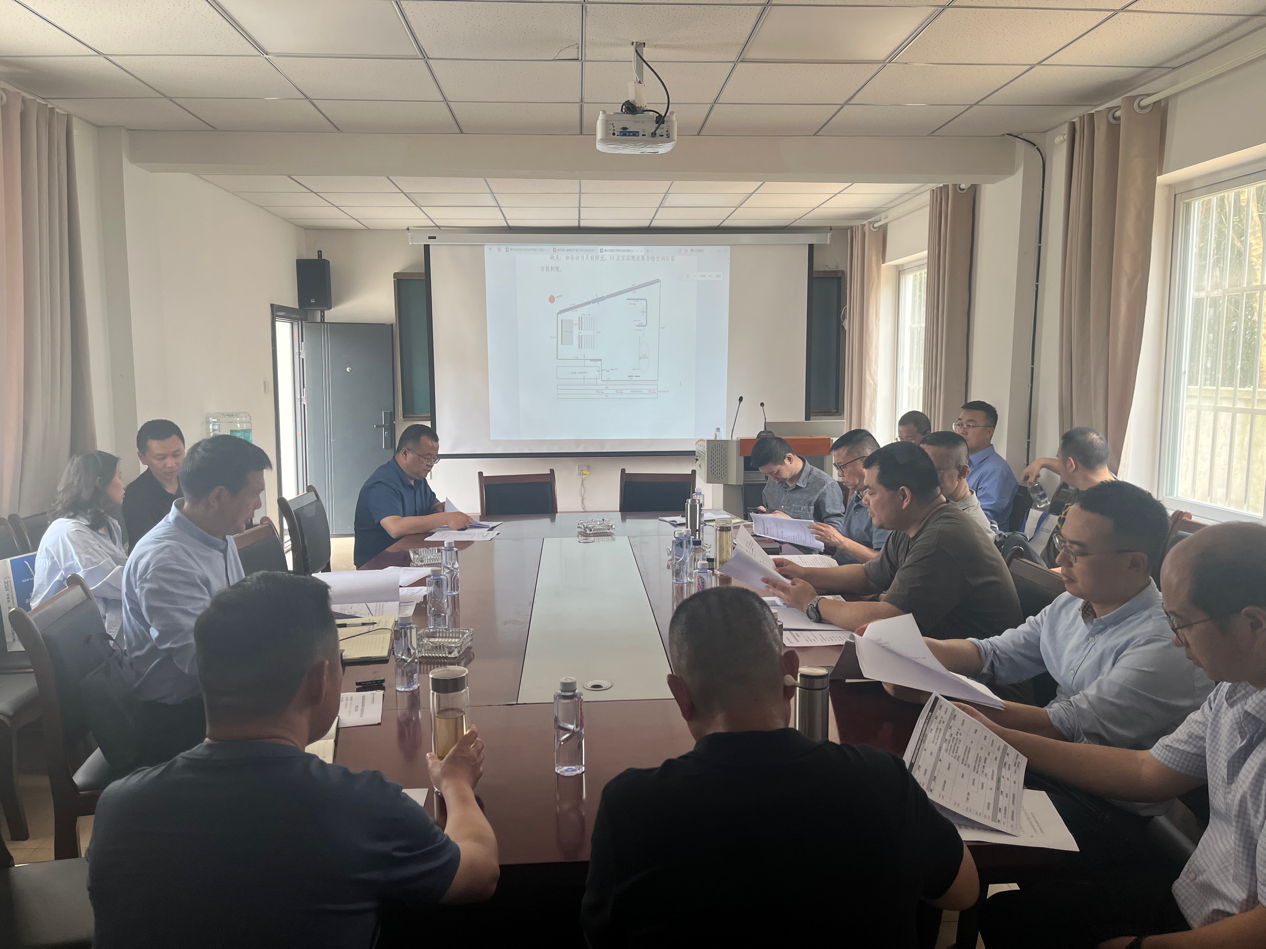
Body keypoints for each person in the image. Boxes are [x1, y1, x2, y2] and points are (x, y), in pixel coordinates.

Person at [89, 572, 499, 949]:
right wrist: (455, 783)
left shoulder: (118, 807)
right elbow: (479, 873)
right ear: (319, 681)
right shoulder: (360, 805)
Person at [581, 586, 978, 948]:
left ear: (680, 695)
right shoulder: (882, 781)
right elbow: (964, 892)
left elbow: (602, 936)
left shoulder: (632, 808)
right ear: (790, 674)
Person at [965, 520, 1266, 949]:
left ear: (1252, 624)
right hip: (1197, 894)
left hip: (1228, 926)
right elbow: (1148, 771)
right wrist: (1000, 737)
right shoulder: (1237, 689)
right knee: (1011, 916)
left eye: (1181, 622)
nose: (1175, 639)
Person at [921, 482, 1213, 870]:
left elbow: (1067, 726)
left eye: (1076, 551)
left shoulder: (1163, 644)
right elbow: (994, 653)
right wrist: (917, 651)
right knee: (916, 792)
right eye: (1061, 541)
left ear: (1134, 563)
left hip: (1106, 807)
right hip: (1051, 768)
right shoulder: (1071, 605)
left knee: (931, 834)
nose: (1060, 558)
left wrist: (947, 700)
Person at [764, 441, 1022, 639]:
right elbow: (869, 575)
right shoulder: (916, 521)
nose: (864, 500)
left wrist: (813, 603)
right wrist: (802, 574)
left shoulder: (942, 539)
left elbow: (889, 617)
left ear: (904, 496)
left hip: (979, 681)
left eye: (871, 492)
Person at [121, 435, 271, 765]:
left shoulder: (215, 533)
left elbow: (242, 616)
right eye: (254, 494)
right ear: (218, 497)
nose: (258, 505)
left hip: (218, 696)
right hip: (181, 719)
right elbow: (203, 661)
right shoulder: (166, 560)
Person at [32, 451, 129, 639]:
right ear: (99, 483)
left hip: (99, 619)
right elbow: (110, 582)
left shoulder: (108, 524)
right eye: (119, 477)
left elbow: (125, 569)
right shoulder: (68, 532)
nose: (123, 484)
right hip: (67, 635)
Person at [353, 424, 473, 568]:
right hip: (379, 566)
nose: (431, 464)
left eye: (434, 459)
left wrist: (437, 508)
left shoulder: (417, 478)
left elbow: (431, 504)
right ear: (405, 453)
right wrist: (445, 518)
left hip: (409, 557)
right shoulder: (382, 484)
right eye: (427, 458)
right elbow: (395, 527)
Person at [1021, 426, 1115, 567]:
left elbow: (1085, 567)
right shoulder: (1093, 479)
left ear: (1071, 465)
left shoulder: (1100, 510)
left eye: (1059, 459)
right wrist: (1041, 462)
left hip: (1060, 575)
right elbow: (1072, 468)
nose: (1058, 465)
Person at [808, 429, 891, 565]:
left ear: (867, 461)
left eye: (842, 467)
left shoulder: (886, 502)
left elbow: (883, 562)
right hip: (838, 566)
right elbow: (845, 549)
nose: (840, 474)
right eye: (837, 468)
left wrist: (840, 541)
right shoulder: (857, 495)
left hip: (859, 574)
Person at [749, 435, 847, 544]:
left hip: (807, 551)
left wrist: (792, 524)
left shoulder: (825, 485)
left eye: (774, 472)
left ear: (789, 459)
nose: (773, 479)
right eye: (767, 475)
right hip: (774, 546)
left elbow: (836, 535)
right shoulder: (774, 481)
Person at [920, 431, 995, 540]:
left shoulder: (966, 527)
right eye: (920, 469)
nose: (923, 478)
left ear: (962, 472)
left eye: (933, 471)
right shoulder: (939, 507)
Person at [955, 400, 1018, 529]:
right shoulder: (960, 462)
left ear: (989, 432)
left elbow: (982, 521)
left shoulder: (995, 471)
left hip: (978, 537)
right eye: (960, 424)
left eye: (970, 426)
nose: (962, 430)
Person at [122, 419, 186, 546]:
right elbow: (147, 545)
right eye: (161, 458)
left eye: (176, 455)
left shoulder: (196, 483)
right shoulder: (135, 495)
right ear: (142, 458)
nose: (170, 464)